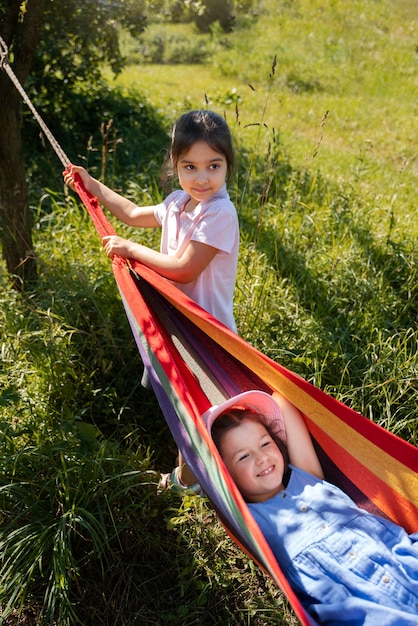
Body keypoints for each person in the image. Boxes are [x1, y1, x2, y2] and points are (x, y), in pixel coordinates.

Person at [64, 110, 239, 493]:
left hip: (206, 335)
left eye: (214, 165)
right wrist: (92, 185)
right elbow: (128, 213)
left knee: (196, 408)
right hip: (174, 326)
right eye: (190, 166)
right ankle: (195, 472)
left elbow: (183, 269)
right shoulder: (179, 203)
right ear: (175, 166)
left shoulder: (219, 213)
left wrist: (132, 250)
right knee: (181, 401)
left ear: (228, 165)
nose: (202, 178)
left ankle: (191, 480)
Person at [203, 390, 418, 626]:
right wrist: (193, 423)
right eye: (243, 457)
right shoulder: (250, 520)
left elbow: (282, 398)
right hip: (361, 606)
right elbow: (197, 465)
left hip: (402, 559)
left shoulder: (307, 478)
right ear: (224, 475)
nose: (262, 457)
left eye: (265, 443)